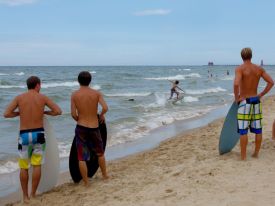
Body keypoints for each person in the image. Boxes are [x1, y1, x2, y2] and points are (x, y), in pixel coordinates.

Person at [3, 76, 62, 203]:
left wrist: (19, 113)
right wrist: (45, 112)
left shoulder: (19, 98)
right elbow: (58, 111)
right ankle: (33, 194)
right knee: (36, 165)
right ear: (37, 85)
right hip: (38, 134)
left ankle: (25, 196)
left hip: (24, 135)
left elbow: (6, 114)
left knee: (23, 166)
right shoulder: (42, 98)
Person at [234, 48, 274, 160]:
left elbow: (236, 84)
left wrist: (236, 98)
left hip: (244, 102)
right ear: (251, 56)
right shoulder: (259, 69)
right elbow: (271, 82)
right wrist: (261, 94)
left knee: (243, 131)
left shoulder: (239, 69)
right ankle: (256, 153)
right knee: (258, 129)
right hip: (256, 101)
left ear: (241, 57)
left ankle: (243, 157)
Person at [71, 71, 109, 186]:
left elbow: (73, 114)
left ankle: (86, 182)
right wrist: (101, 115)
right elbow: (105, 108)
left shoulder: (74, 95)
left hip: (81, 127)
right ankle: (105, 175)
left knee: (82, 157)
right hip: (94, 126)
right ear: (90, 81)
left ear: (78, 81)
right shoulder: (96, 93)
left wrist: (79, 120)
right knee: (100, 153)